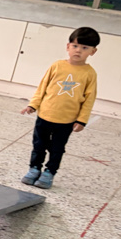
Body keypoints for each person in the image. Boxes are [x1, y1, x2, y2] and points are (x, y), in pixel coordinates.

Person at [20, 26, 99, 189]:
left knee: (57, 149)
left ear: (93, 51)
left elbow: (89, 99)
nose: (78, 50)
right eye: (75, 46)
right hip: (44, 116)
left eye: (85, 48)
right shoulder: (56, 66)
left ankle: (49, 172)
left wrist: (82, 120)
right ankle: (34, 168)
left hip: (66, 121)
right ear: (68, 47)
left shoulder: (90, 73)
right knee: (39, 145)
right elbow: (42, 87)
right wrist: (33, 105)